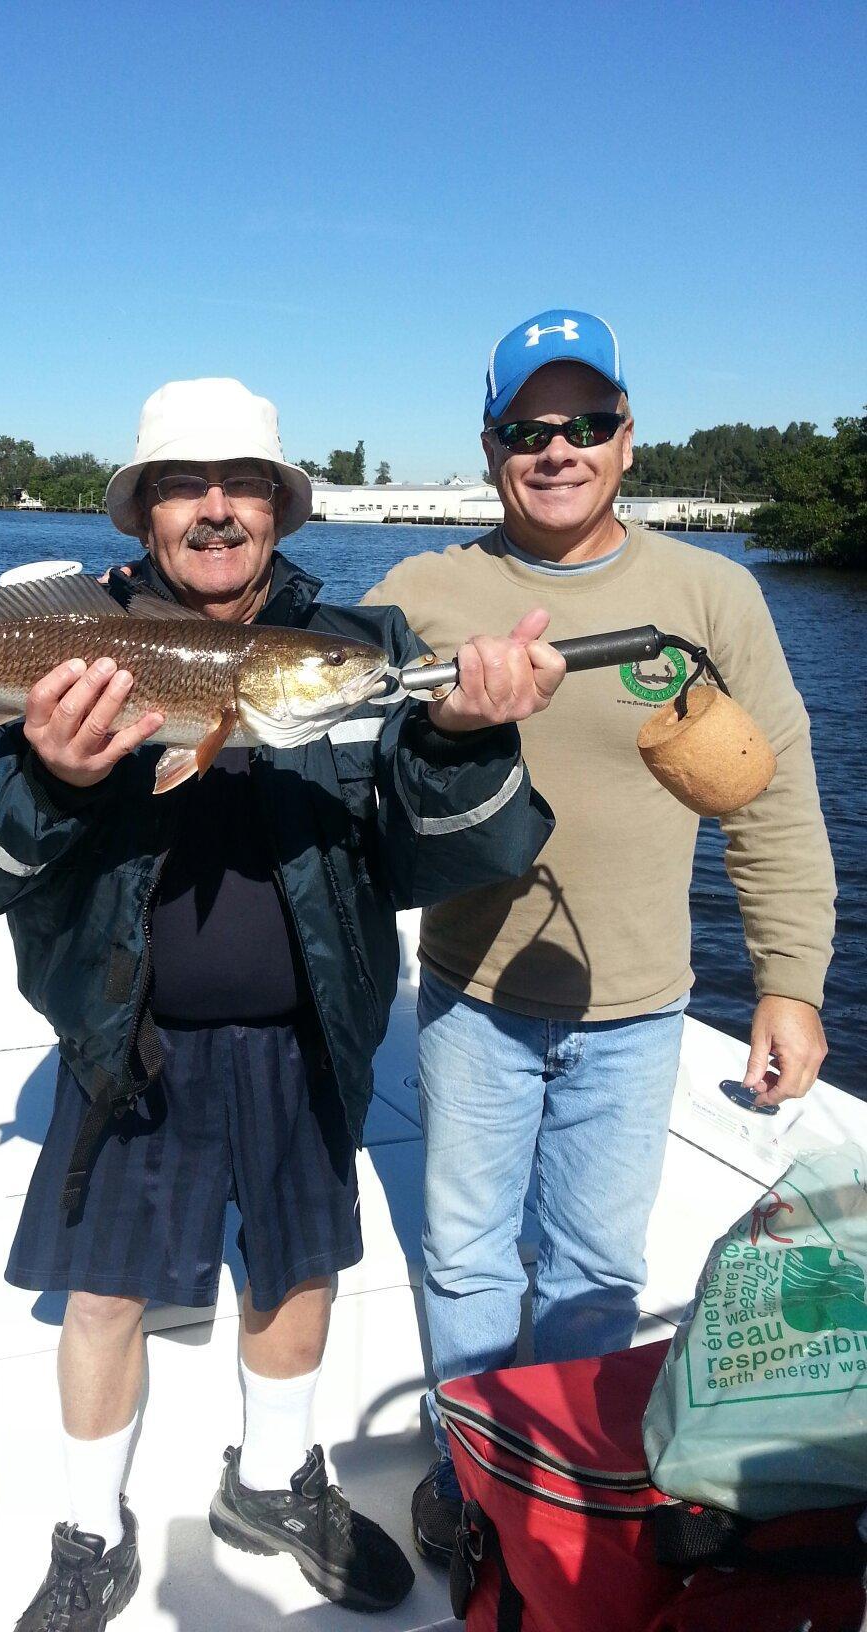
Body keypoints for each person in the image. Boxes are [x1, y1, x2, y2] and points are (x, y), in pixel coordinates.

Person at [0, 376, 563, 1629]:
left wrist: (466, 741)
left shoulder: (359, 650)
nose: (214, 510)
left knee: (298, 1269)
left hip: (313, 1031)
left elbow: (441, 856)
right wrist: (45, 774)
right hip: (122, 1035)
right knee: (106, 1293)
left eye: (242, 485)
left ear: (281, 510)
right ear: (142, 515)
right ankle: (90, 1528)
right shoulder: (63, 639)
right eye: (183, 487)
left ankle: (275, 1482)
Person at [362, 310, 837, 1564]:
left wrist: (788, 979)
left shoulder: (707, 594)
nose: (557, 448)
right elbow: (322, 742)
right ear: (491, 447)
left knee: (592, 1269)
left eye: (585, 424)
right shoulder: (420, 595)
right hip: (471, 992)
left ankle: (557, 1477)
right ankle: (473, 1473)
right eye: (529, 428)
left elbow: (775, 794)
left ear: (628, 440)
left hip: (641, 1007)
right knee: (466, 1256)